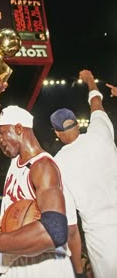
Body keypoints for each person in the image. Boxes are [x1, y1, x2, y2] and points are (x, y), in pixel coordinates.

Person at [0, 79, 76, 278]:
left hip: (43, 266)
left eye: (2, 133)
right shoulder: (16, 158)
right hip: (18, 261)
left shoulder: (42, 167)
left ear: (18, 129)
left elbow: (54, 231)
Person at [50, 69, 117, 278]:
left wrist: (78, 271)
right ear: (78, 124)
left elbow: (71, 229)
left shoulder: (58, 163)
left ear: (57, 133)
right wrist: (89, 80)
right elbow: (96, 104)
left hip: (103, 238)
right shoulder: (100, 133)